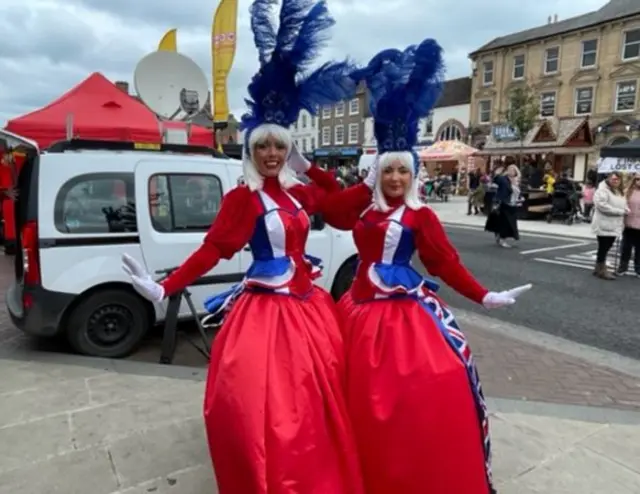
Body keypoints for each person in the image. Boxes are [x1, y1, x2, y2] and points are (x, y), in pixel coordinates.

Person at [121, 0, 365, 492]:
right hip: (265, 311)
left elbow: (341, 209)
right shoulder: (243, 200)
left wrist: (310, 166)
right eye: (264, 147)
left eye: (279, 147)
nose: (272, 155)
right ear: (251, 150)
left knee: (317, 395)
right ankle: (270, 474)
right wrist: (166, 287)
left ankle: (313, 468)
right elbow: (213, 250)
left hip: (308, 307)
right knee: (260, 399)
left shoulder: (295, 192)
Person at [318, 40, 532, 494]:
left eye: (402, 172)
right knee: (347, 395)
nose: (395, 179)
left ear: (414, 175)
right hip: (355, 309)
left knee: (409, 399)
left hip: (401, 318)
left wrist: (483, 294)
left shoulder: (422, 216)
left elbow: (444, 262)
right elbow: (334, 213)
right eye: (388, 171)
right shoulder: (365, 206)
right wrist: (366, 182)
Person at [592, 172, 627, 280]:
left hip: (613, 224)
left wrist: (625, 209)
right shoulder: (602, 190)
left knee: (606, 247)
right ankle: (601, 270)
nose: (615, 181)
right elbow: (602, 206)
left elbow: (622, 203)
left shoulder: (618, 191)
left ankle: (598, 267)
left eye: (617, 179)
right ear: (608, 179)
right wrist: (620, 211)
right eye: (613, 179)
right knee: (604, 247)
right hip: (604, 223)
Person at [485, 164, 521, 248]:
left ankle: (499, 234)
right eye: (509, 169)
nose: (511, 171)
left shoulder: (517, 181)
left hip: (513, 204)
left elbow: (518, 192)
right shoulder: (503, 179)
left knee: (510, 223)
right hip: (503, 203)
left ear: (516, 172)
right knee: (505, 223)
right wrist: (496, 174)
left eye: (513, 170)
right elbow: (495, 180)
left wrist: (520, 199)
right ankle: (502, 239)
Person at [617, 173, 640, 276]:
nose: (639, 181)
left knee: (639, 249)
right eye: (637, 179)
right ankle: (623, 267)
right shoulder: (628, 192)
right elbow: (621, 204)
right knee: (626, 247)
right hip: (628, 224)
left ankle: (638, 269)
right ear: (634, 180)